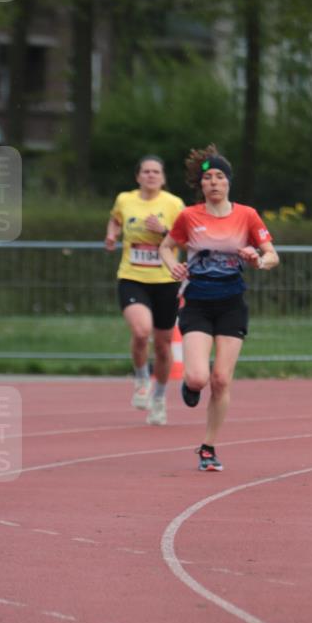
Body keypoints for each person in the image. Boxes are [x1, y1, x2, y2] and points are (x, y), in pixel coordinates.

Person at [159, 145, 279, 471]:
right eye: (207, 177)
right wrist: (171, 264)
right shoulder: (189, 216)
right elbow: (167, 247)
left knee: (221, 379)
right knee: (198, 377)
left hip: (231, 303)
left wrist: (258, 259)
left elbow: (272, 255)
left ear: (228, 182)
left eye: (219, 176)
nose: (213, 182)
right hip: (197, 301)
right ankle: (190, 385)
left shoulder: (247, 215)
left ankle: (208, 447)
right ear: (201, 185)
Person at [105, 156, 184, 425]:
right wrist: (112, 235)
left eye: (156, 172)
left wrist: (163, 230)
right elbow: (115, 220)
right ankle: (141, 379)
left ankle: (159, 399)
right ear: (138, 176)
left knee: (162, 345)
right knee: (141, 331)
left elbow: (185, 238)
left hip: (165, 279)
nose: (151, 176)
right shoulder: (125, 199)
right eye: (146, 172)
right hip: (132, 276)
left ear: (163, 178)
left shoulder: (173, 204)